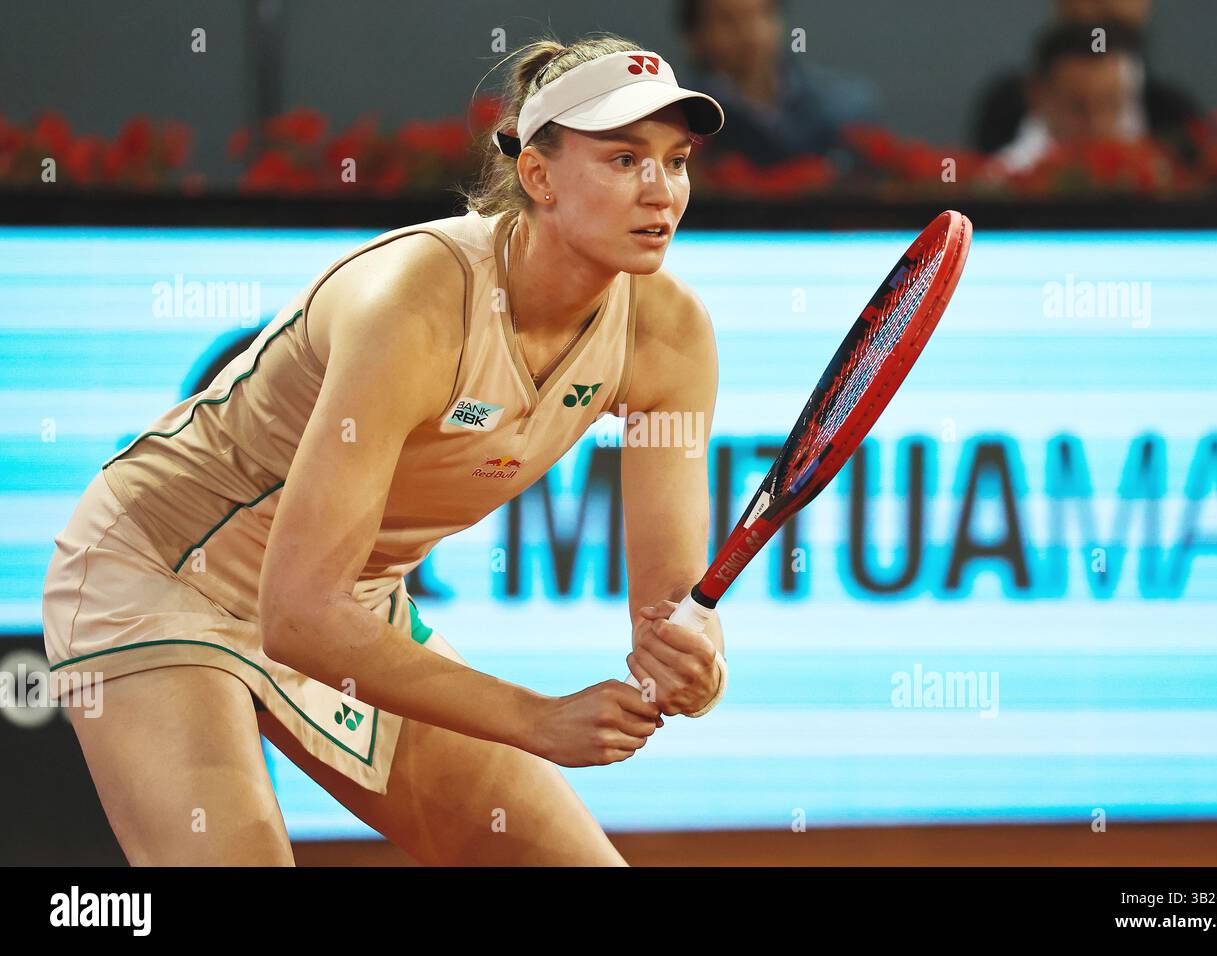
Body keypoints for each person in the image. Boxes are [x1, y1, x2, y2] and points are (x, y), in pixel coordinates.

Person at [41, 34, 728, 866]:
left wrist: (694, 665)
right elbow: (297, 615)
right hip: (162, 572)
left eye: (675, 161)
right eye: (624, 159)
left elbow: (671, 603)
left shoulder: (670, 334)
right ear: (538, 176)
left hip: (349, 607)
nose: (661, 190)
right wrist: (538, 719)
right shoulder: (416, 303)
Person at [970, 4, 1202, 161]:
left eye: (1109, 104)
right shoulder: (1003, 117)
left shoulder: (1175, 117)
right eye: (1077, 107)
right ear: (1037, 97)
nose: (1095, 124)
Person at [674, 0, 877, 173]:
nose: (750, 32)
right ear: (695, 36)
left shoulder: (843, 103)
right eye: (728, 20)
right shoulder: (683, 117)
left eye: (762, 14)